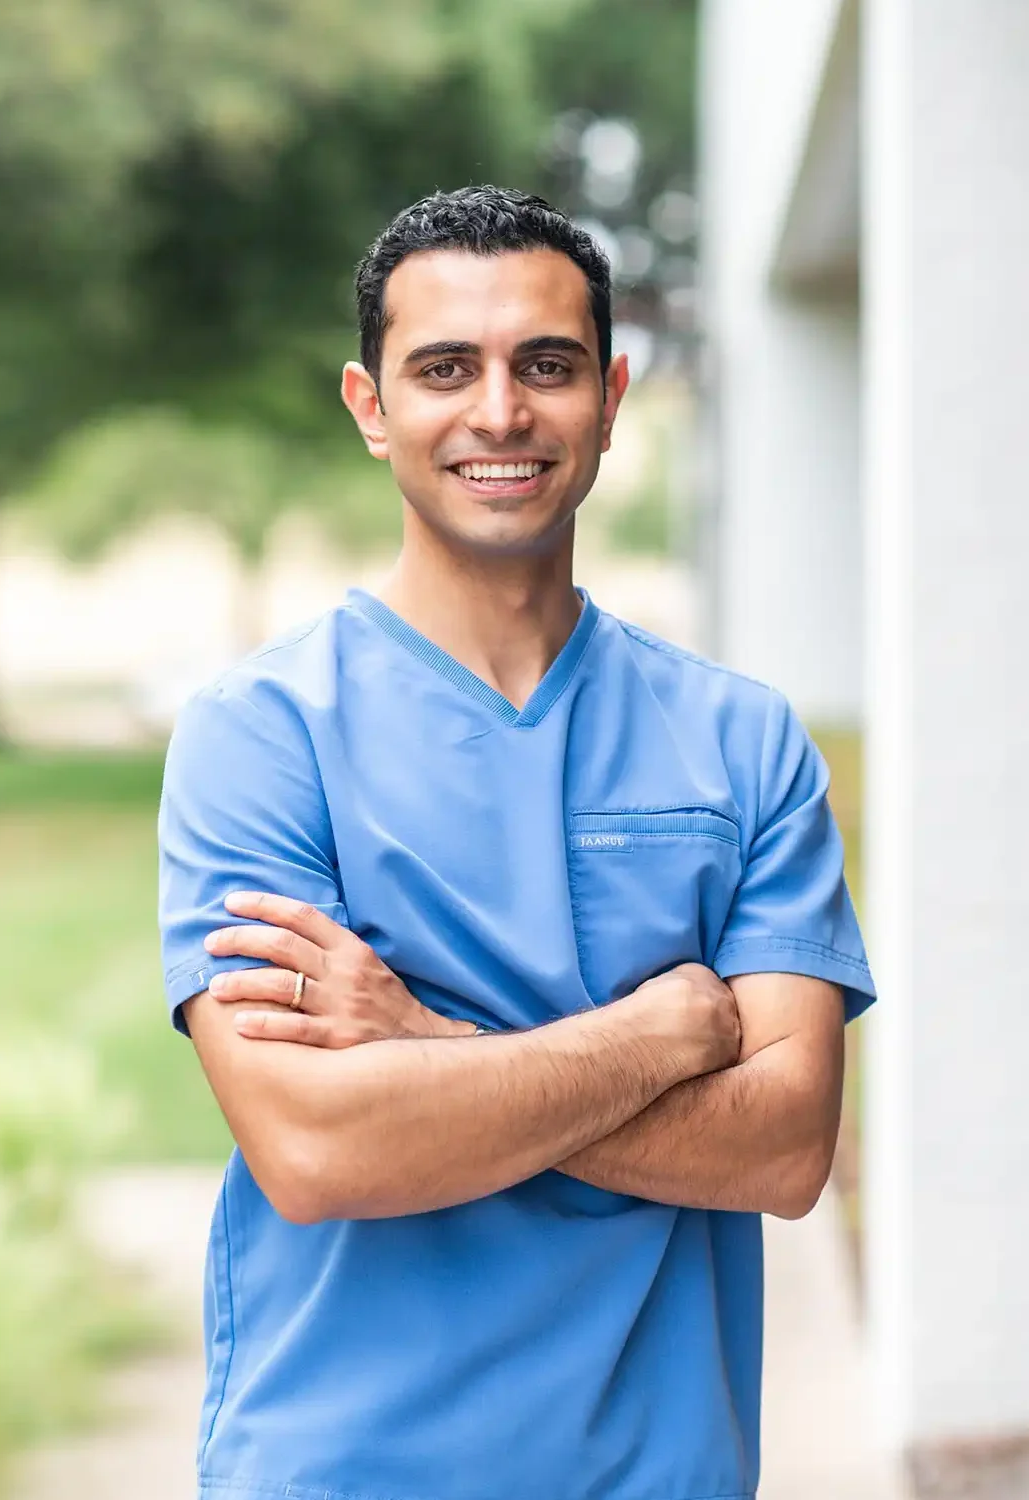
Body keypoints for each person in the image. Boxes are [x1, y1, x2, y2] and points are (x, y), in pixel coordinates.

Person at [158, 185, 876, 1500]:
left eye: (544, 366)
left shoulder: (743, 743)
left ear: (608, 397)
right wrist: (657, 1038)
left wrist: (427, 1048)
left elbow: (782, 1149)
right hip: (342, 1469)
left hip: (659, 1473)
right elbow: (319, 1152)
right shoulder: (263, 736)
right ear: (371, 409)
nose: (500, 412)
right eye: (445, 369)